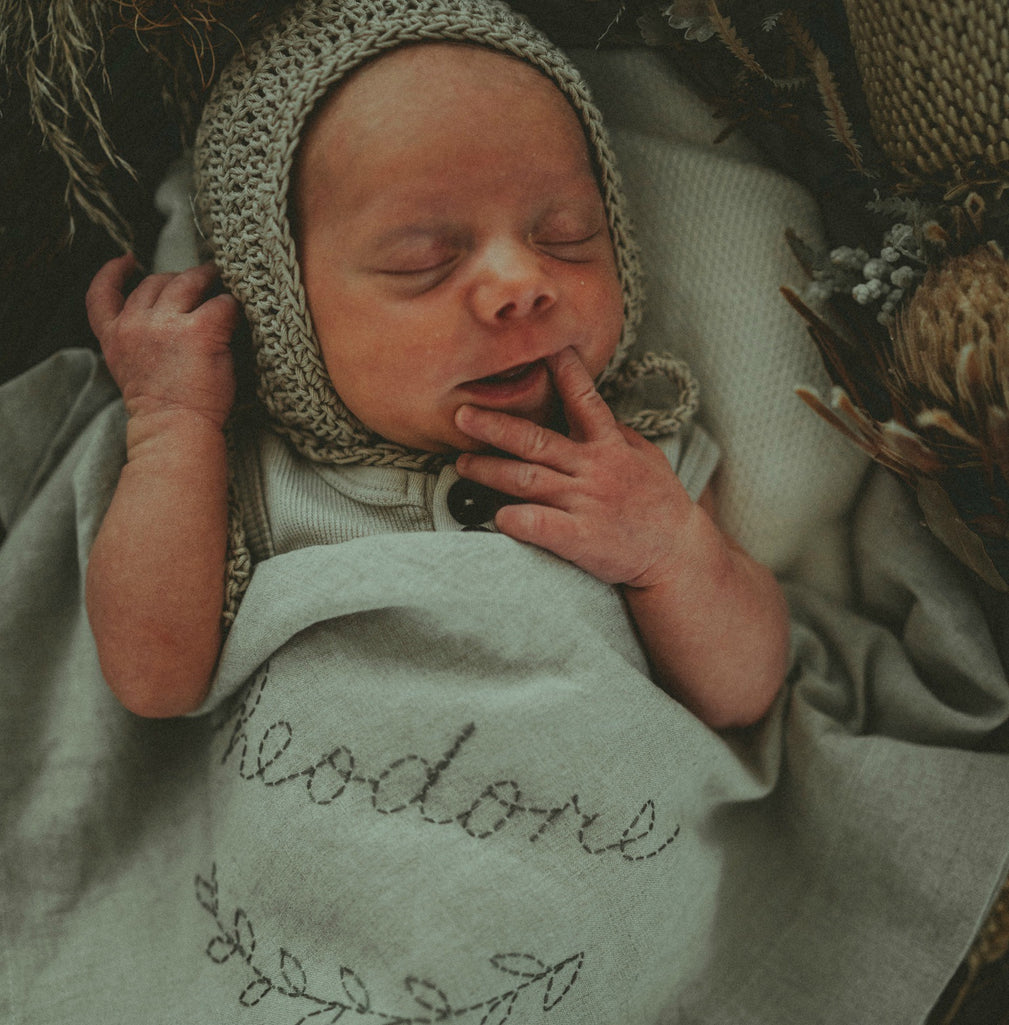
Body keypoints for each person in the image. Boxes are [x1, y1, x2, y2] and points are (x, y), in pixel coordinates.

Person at [83, 0, 789, 725]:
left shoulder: (628, 466)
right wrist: (170, 424)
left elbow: (743, 694)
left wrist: (667, 551)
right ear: (280, 305)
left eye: (567, 236)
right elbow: (154, 681)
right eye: (422, 260)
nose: (521, 284)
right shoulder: (239, 479)